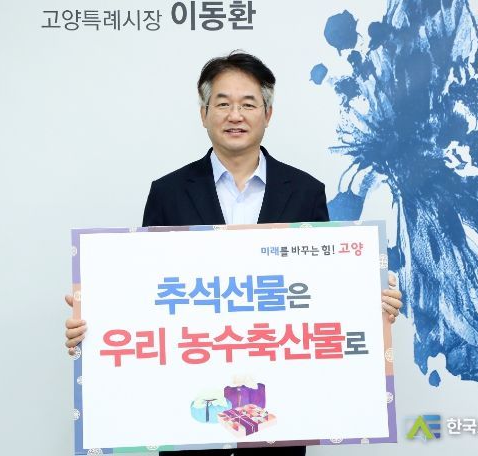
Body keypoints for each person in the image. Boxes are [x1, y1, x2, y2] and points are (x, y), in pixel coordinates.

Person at [64, 51, 403, 456]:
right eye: (223, 104)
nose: (235, 115)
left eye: (248, 104)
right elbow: (147, 292)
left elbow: (322, 292)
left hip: (278, 422)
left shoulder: (305, 191)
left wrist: (368, 302)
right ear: (204, 113)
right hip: (191, 418)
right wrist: (97, 320)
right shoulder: (168, 193)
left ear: (268, 113)